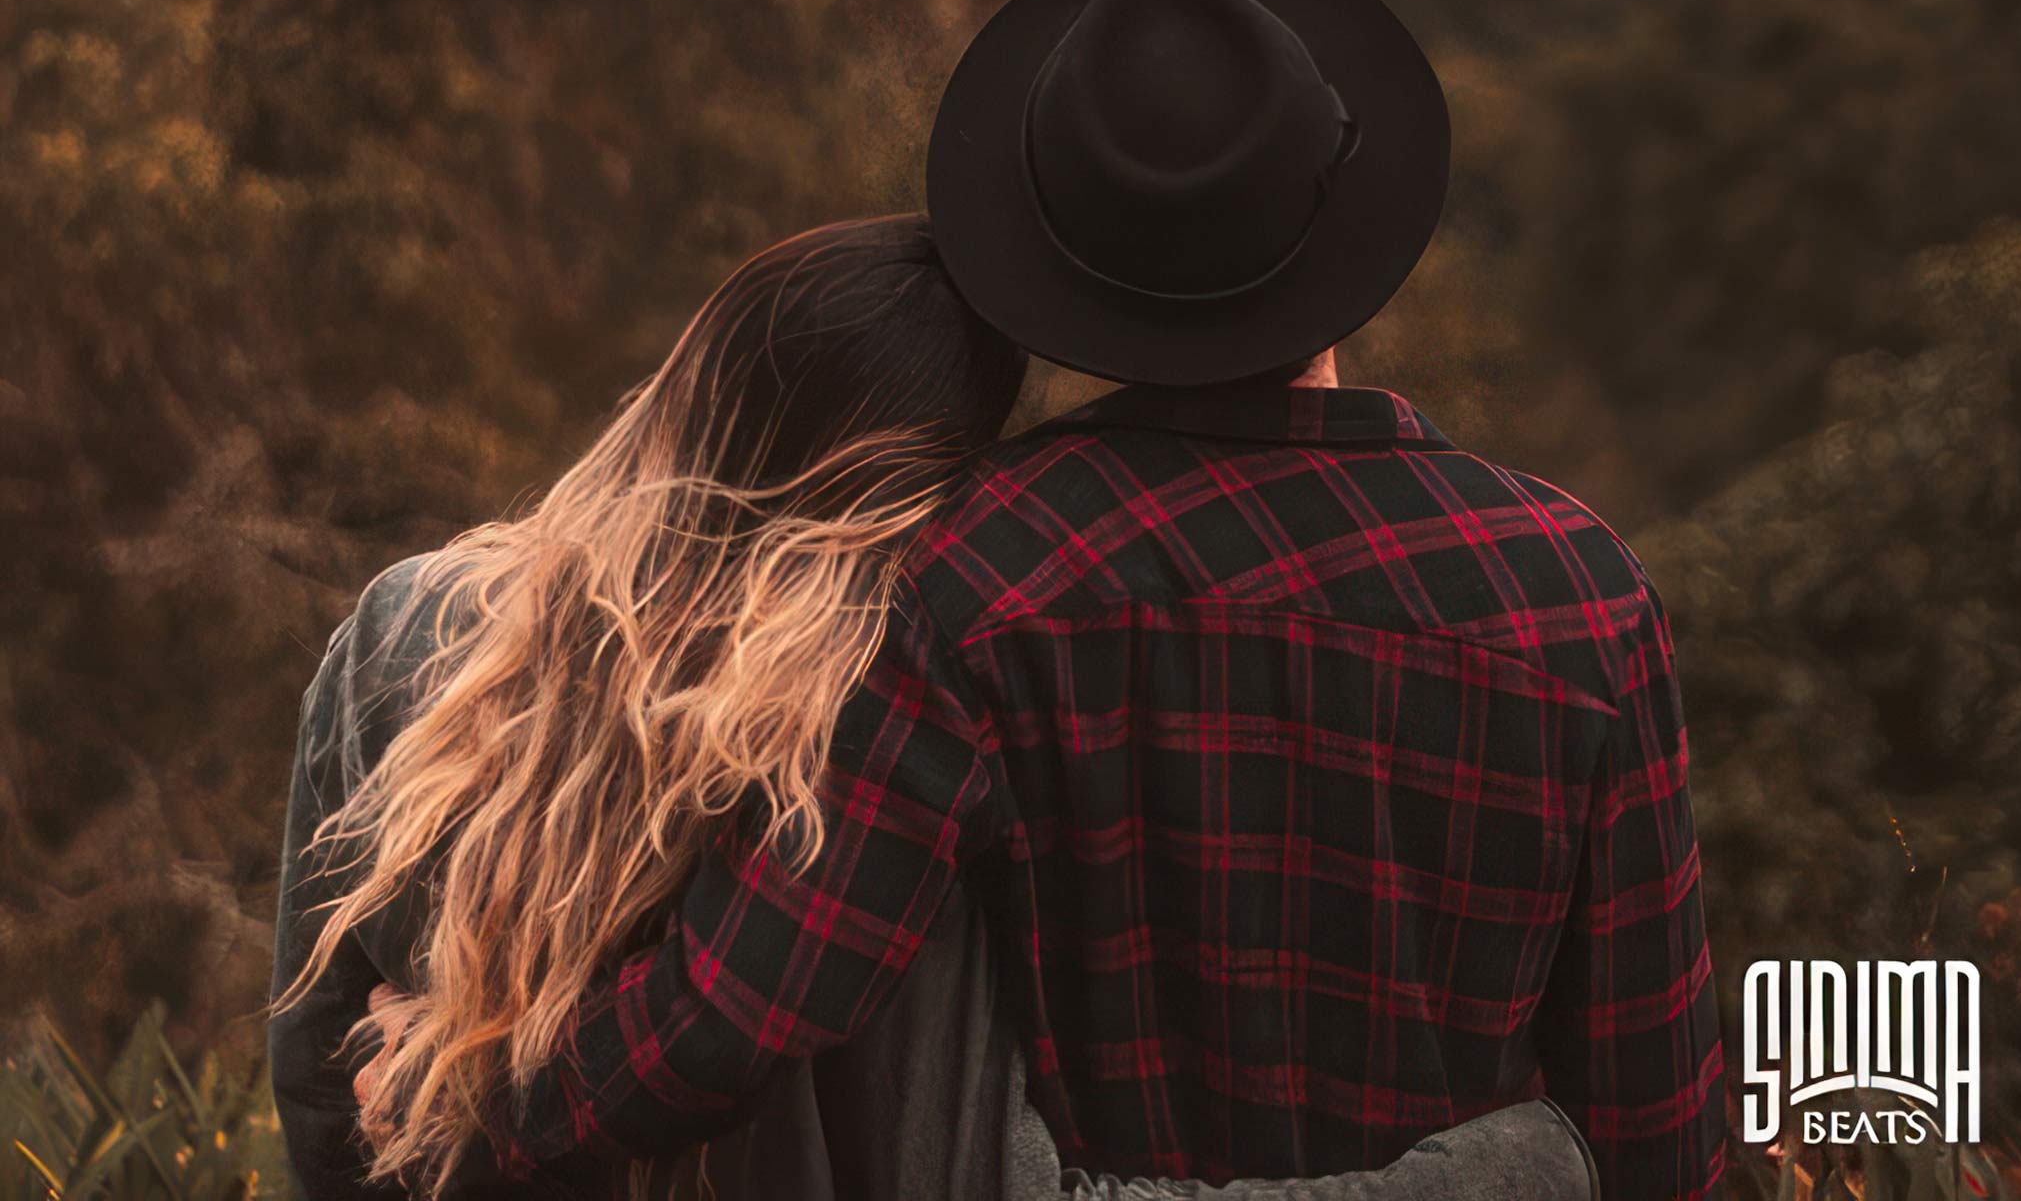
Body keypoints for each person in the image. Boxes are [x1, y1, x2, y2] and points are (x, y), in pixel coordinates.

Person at [360, 0, 1694, 1194]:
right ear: (1343, 229)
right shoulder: (1577, 588)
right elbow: (1651, 1117)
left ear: (1063, 256)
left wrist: (460, 1090)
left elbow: (741, 1011)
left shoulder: (966, 577)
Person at [274, 208, 1590, 1201]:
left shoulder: (415, 633)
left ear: (686, 386)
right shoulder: (870, 750)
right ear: (932, 489)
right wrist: (1519, 1165)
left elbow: (331, 1099)